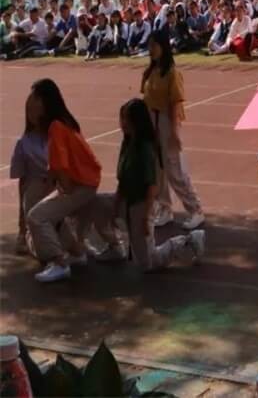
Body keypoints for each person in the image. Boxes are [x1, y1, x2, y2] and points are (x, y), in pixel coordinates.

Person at [87, 99, 206, 269]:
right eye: (122, 118)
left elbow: (152, 186)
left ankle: (189, 241)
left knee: (148, 262)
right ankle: (115, 247)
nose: (122, 123)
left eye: (126, 119)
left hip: (142, 205)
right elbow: (122, 178)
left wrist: (145, 218)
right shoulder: (127, 143)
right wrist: (116, 204)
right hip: (127, 201)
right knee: (96, 203)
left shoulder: (145, 148)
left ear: (137, 121)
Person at [26, 79, 102, 283]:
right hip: (86, 181)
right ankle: (77, 253)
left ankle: (59, 263)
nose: (31, 102)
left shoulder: (56, 127)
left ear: (44, 101)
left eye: (35, 98)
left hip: (80, 184)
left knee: (36, 217)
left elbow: (60, 164)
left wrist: (64, 189)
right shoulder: (64, 121)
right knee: (51, 213)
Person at [141, 29, 205, 230]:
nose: (150, 50)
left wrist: (175, 133)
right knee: (158, 170)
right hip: (151, 121)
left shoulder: (172, 73)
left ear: (163, 47)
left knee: (174, 169)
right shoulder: (151, 70)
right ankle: (165, 208)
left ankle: (195, 209)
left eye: (154, 46)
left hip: (166, 122)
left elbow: (176, 103)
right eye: (149, 46)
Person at [9, 93, 54, 255]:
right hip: (34, 193)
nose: (34, 115)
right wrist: (21, 225)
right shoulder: (24, 143)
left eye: (38, 110)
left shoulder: (58, 136)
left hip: (56, 190)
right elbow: (22, 181)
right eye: (30, 110)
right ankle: (28, 236)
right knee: (43, 249)